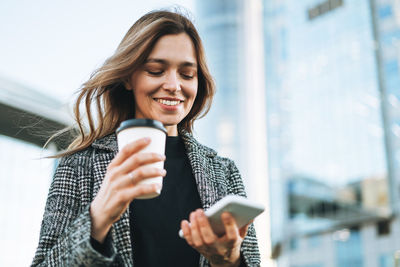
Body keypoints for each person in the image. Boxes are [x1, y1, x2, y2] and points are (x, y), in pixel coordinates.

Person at [31, 9, 260, 267]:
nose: (174, 84)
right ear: (129, 78)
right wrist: (98, 217)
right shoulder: (78, 166)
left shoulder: (224, 172)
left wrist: (228, 261)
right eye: (155, 70)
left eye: (187, 74)